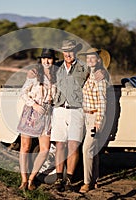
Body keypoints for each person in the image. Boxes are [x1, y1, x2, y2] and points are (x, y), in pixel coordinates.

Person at [50, 39, 88, 192]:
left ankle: (70, 180)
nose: (68, 54)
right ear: (62, 52)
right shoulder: (57, 67)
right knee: (60, 145)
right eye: (65, 51)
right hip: (59, 109)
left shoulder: (84, 68)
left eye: (71, 50)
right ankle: (59, 178)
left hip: (77, 110)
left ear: (76, 51)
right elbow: (44, 74)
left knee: (73, 146)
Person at [17, 48, 58, 190]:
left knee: (45, 149)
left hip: (47, 113)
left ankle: (31, 178)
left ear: (53, 60)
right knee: (25, 147)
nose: (46, 61)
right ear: (40, 60)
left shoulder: (57, 75)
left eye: (50, 59)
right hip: (31, 112)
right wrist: (34, 105)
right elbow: (23, 93)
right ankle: (23, 180)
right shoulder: (34, 75)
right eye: (44, 58)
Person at [78, 47, 110, 193]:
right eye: (88, 57)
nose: (90, 60)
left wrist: (98, 121)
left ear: (98, 60)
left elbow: (103, 102)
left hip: (96, 117)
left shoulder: (99, 77)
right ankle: (95, 179)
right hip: (87, 116)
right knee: (94, 150)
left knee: (87, 149)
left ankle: (87, 182)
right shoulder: (88, 75)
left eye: (93, 57)